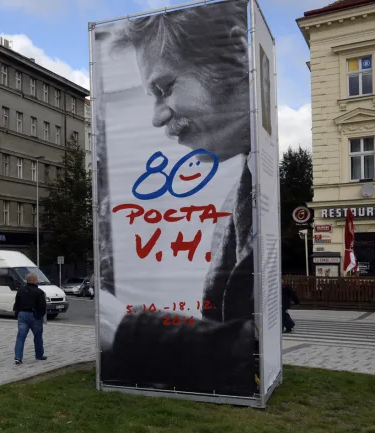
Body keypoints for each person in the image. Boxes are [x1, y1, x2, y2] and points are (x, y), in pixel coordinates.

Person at [98, 1, 257, 396]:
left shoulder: (247, 193)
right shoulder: (239, 194)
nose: (157, 117)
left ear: (236, 50)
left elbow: (245, 349)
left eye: (164, 88)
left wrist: (122, 329)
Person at [13, 273, 48, 364]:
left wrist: (17, 313)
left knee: (20, 336)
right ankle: (39, 355)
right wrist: (40, 316)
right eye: (36, 280)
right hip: (34, 315)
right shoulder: (39, 292)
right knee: (38, 337)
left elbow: (17, 304)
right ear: (33, 280)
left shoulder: (20, 290)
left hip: (22, 315)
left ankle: (18, 357)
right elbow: (42, 306)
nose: (37, 281)